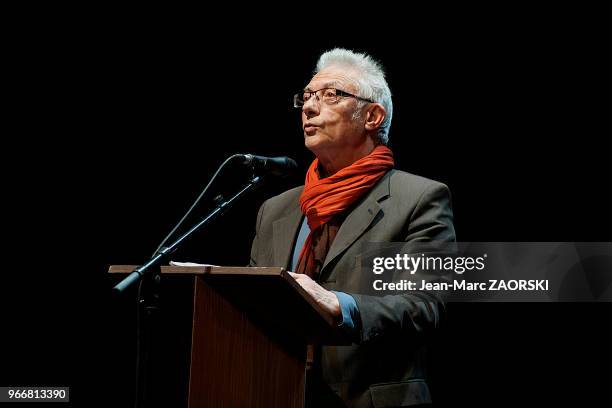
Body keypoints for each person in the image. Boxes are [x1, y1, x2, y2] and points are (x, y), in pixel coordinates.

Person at [249, 48, 455, 407]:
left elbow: (423, 306)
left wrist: (340, 305)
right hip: (278, 392)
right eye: (308, 97)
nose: (310, 108)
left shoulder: (419, 198)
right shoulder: (275, 209)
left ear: (373, 116)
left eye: (331, 95)